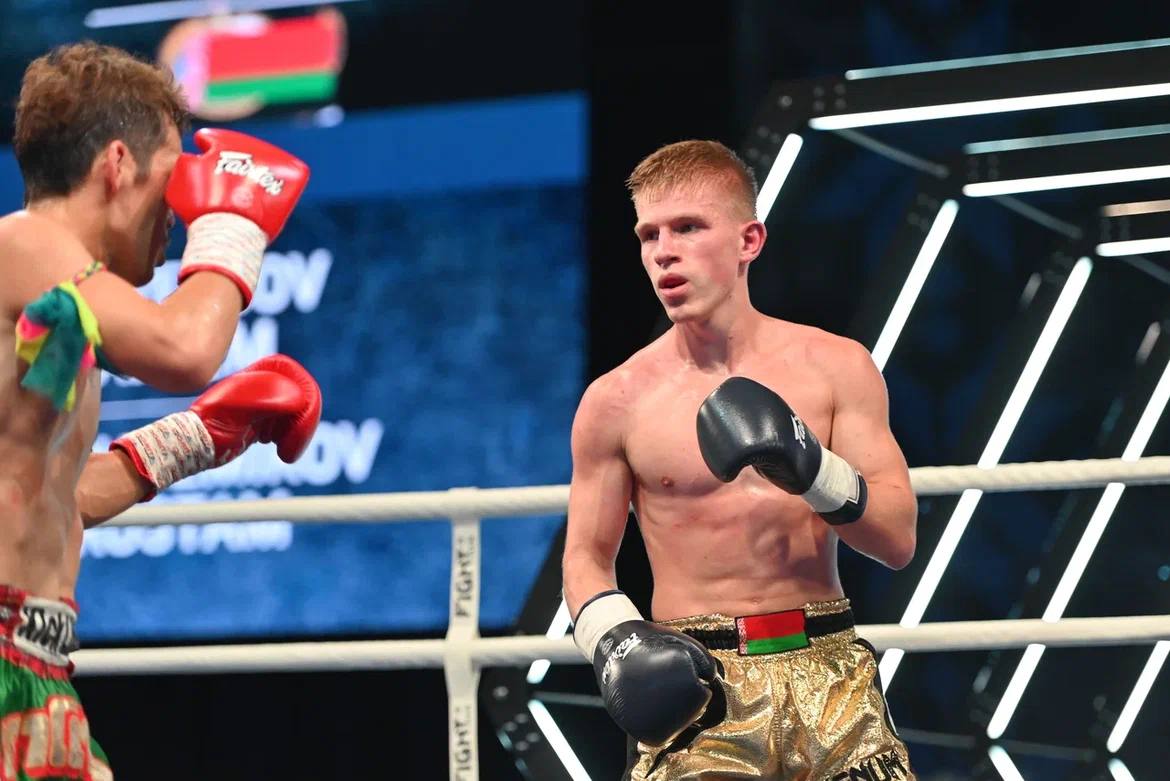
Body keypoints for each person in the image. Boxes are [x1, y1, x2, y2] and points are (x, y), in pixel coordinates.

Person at [0, 43, 318, 780]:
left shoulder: (54, 298)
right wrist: (235, 225)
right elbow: (183, 348)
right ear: (117, 164)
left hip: (36, 669)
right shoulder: (25, 242)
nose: (181, 209)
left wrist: (197, 437)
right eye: (174, 180)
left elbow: (55, 497)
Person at [563, 140, 918, 780]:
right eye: (648, 235)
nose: (663, 252)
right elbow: (586, 557)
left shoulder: (836, 366)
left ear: (748, 240)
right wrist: (616, 641)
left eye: (687, 228)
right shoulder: (616, 401)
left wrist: (812, 469)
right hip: (699, 691)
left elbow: (896, 539)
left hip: (830, 673)